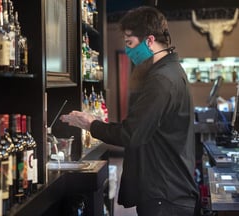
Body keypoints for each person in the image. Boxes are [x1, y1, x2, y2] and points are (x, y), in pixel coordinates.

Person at [60, 6, 199, 216]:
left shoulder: (161, 80)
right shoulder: (171, 71)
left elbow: (131, 133)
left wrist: (90, 124)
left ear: (150, 41)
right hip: (170, 191)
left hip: (165, 196)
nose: (128, 51)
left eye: (130, 43)